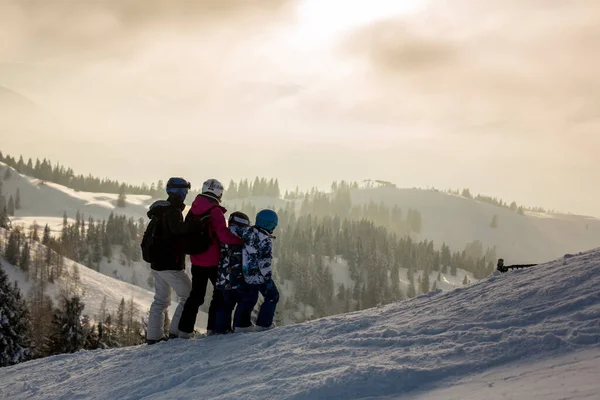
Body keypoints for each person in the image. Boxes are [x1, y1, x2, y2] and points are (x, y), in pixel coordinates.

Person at [178, 179, 243, 338]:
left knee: (196, 296)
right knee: (219, 294)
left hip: (196, 258)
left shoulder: (193, 208)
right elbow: (223, 235)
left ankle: (184, 331)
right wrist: (240, 240)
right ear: (219, 192)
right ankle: (213, 328)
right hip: (214, 260)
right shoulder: (215, 211)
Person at [145, 177, 193, 345]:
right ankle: (176, 333)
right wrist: (194, 223)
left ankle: (154, 337)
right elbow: (178, 231)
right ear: (180, 192)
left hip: (158, 263)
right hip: (170, 263)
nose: (186, 194)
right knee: (189, 296)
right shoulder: (173, 211)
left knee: (160, 300)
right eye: (185, 191)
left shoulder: (160, 210)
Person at [234, 209, 280, 332]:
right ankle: (264, 325)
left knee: (249, 298)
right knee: (272, 296)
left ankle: (241, 325)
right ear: (271, 224)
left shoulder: (247, 232)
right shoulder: (265, 240)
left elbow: (236, 231)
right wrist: (268, 277)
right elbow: (264, 262)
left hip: (246, 274)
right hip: (259, 276)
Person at [214, 211, 251, 334]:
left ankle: (221, 329)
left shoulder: (223, 233)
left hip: (223, 277)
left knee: (225, 305)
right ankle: (241, 327)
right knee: (243, 302)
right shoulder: (244, 235)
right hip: (238, 277)